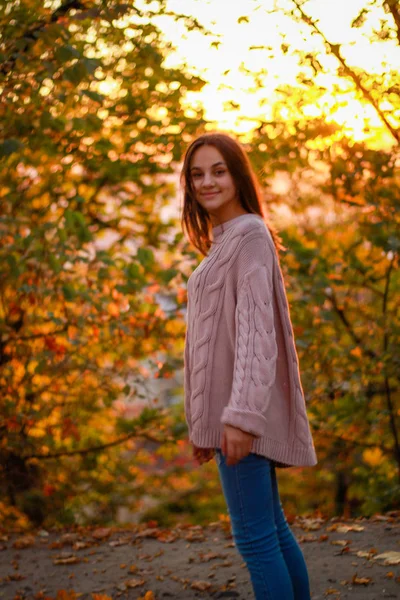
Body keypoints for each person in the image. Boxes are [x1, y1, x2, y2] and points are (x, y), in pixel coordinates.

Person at [180, 132, 318, 600]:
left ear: (238, 175)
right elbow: (211, 345)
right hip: (228, 420)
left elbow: (256, 336)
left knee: (255, 540)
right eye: (197, 173)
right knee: (271, 529)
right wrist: (204, 426)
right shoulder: (226, 241)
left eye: (218, 170)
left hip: (240, 420)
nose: (207, 181)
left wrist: (239, 418)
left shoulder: (249, 236)